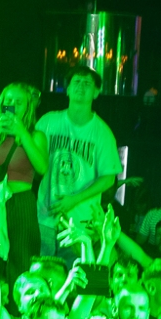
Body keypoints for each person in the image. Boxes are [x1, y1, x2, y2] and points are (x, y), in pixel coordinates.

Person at [36, 67, 121, 256]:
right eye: (76, 82)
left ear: (96, 92)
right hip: (45, 219)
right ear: (67, 89)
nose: (81, 87)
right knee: (42, 271)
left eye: (87, 83)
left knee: (77, 272)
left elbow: (108, 178)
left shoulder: (103, 133)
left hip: (80, 224)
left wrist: (74, 199)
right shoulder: (48, 122)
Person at [0, 82, 47, 281]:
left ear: (27, 107)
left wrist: (22, 132)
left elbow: (42, 168)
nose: (12, 105)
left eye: (18, 102)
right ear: (2, 103)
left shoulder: (36, 135)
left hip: (20, 202)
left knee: (21, 259)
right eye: (8, 100)